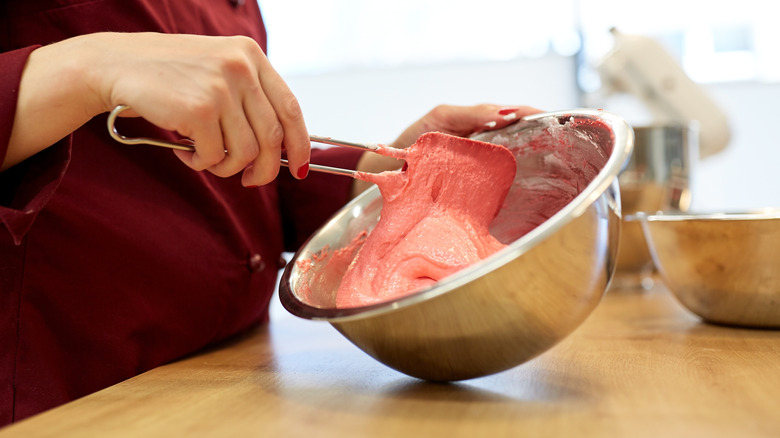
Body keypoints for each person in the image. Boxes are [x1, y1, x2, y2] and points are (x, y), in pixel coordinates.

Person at [0, 0, 539, 426]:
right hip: (69, 397)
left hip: (240, 379)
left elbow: (237, 182)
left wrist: (389, 174)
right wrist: (83, 67)